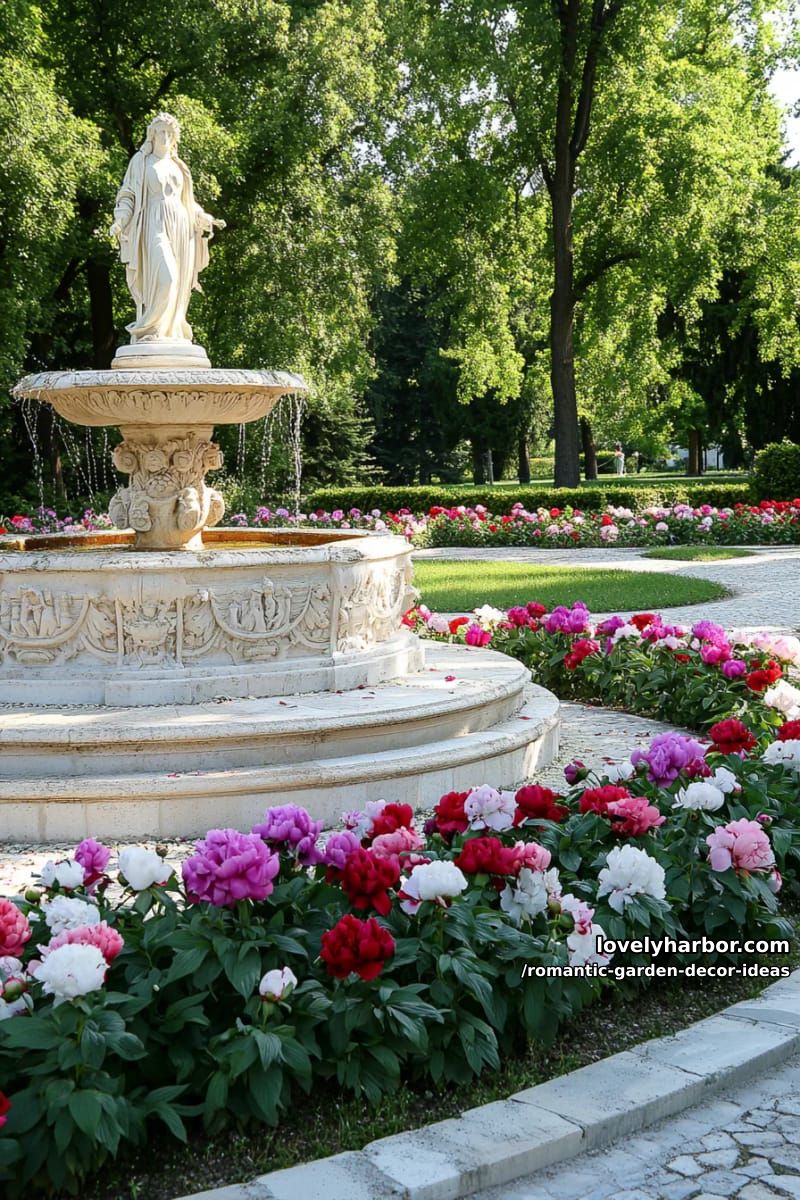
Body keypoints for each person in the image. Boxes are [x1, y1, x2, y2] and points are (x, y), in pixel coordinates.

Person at [109, 113, 225, 343]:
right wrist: (120, 220)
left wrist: (203, 216)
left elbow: (188, 202)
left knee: (179, 283)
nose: (165, 136)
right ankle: (148, 330)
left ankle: (169, 331)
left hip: (182, 228)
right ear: (152, 135)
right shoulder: (141, 162)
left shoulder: (180, 167)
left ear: (175, 137)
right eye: (161, 131)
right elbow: (128, 195)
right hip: (154, 222)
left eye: (169, 133)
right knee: (167, 278)